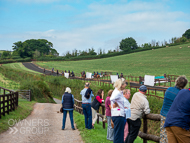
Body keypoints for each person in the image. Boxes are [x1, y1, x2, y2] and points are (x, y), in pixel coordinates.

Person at [160, 76, 188, 143]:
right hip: (175, 118)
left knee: (163, 136)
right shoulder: (181, 93)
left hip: (164, 114)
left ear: (176, 82)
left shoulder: (169, 89)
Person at [110, 78, 127, 143]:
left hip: (116, 114)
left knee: (118, 134)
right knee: (119, 135)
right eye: (124, 84)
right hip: (118, 115)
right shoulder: (117, 92)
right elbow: (112, 99)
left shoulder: (117, 91)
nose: (125, 85)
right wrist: (115, 103)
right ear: (121, 85)